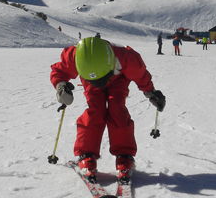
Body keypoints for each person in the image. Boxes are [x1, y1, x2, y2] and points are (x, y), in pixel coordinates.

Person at [50, 37, 165, 182]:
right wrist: (61, 86)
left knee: (117, 109)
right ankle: (87, 154)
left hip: (118, 79)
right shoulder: (75, 55)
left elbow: (141, 76)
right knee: (95, 110)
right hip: (89, 79)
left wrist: (151, 92)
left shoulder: (127, 58)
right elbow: (59, 71)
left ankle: (124, 156)